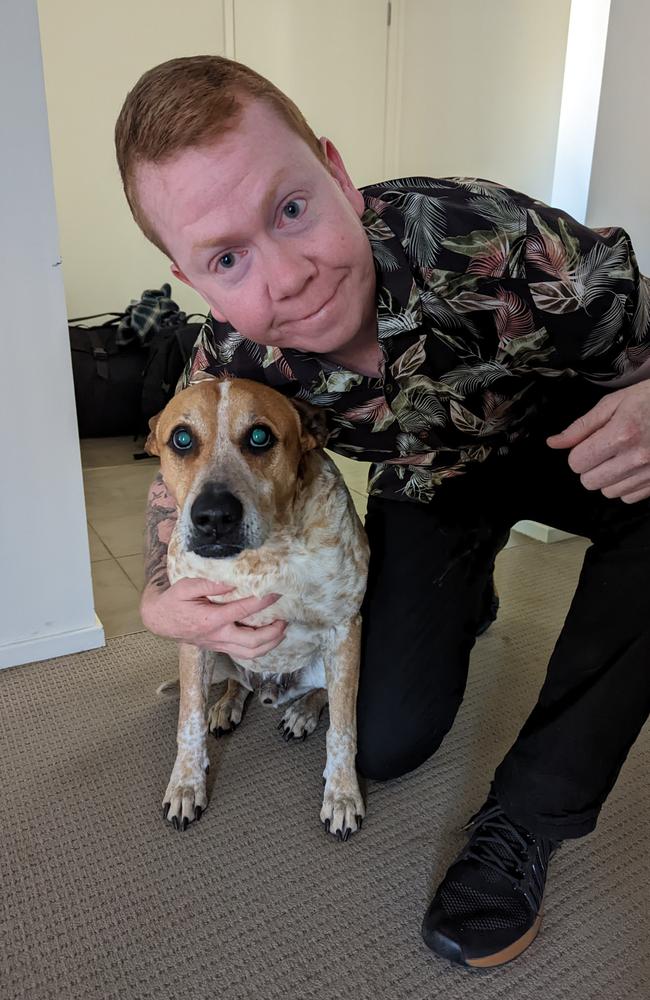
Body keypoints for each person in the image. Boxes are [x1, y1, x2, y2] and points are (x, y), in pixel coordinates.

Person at [114, 55, 650, 969]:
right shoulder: (227, 361)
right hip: (432, 483)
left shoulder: (491, 237)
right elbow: (179, 479)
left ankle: (529, 819)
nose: (284, 275)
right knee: (387, 743)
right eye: (228, 257)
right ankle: (464, 592)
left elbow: (628, 309)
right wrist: (159, 596)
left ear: (336, 172)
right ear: (189, 275)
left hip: (569, 442)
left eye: (291, 208)